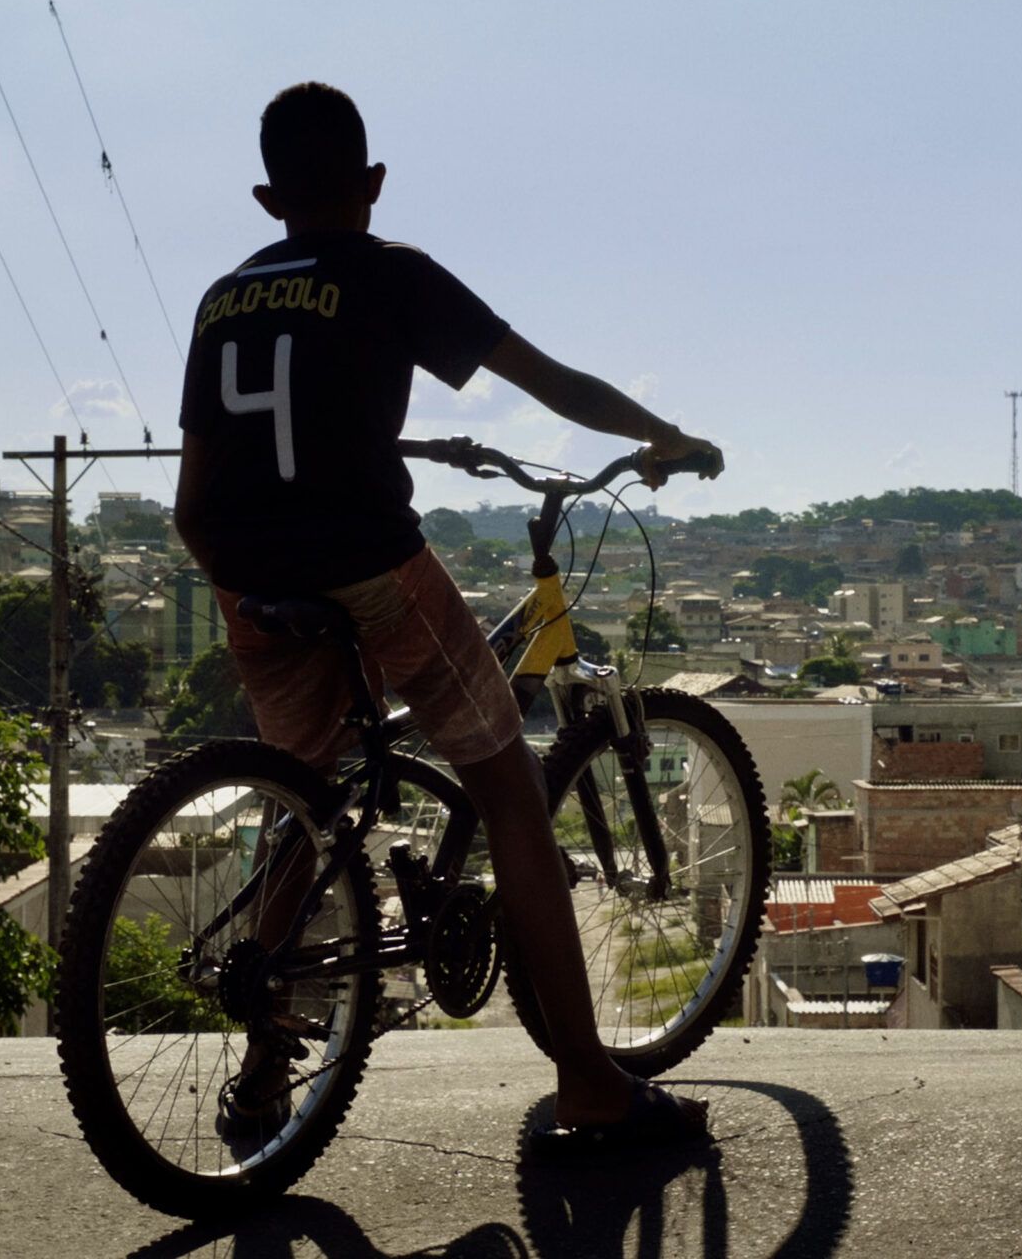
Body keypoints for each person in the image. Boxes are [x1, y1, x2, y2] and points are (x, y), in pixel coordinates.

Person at [172, 81, 719, 1149]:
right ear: (372, 184)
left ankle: (260, 1073)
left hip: (246, 578)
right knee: (510, 787)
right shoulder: (392, 275)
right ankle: (590, 1082)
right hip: (370, 562)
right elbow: (552, 382)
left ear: (264, 195)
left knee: (306, 798)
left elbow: (194, 494)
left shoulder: (219, 299)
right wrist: (664, 435)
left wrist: (240, 580)